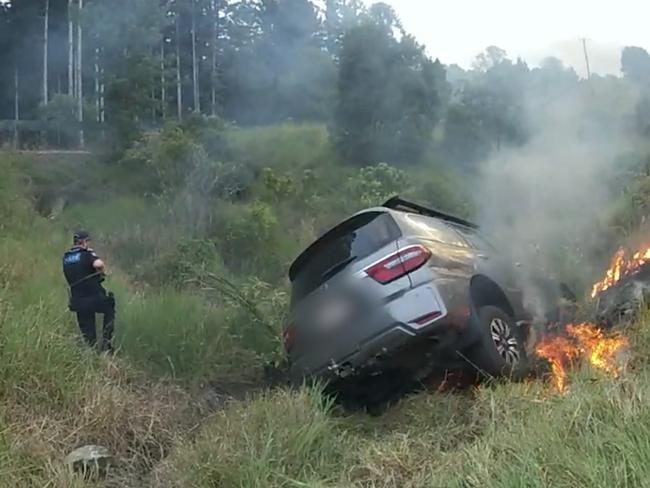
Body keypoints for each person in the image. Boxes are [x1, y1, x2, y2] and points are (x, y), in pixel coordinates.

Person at [62, 231, 115, 353]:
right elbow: (98, 263)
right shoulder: (86, 253)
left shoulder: (66, 257)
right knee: (110, 306)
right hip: (94, 297)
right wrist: (102, 272)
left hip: (77, 301)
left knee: (89, 337)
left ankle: (93, 355)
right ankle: (107, 344)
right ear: (84, 242)